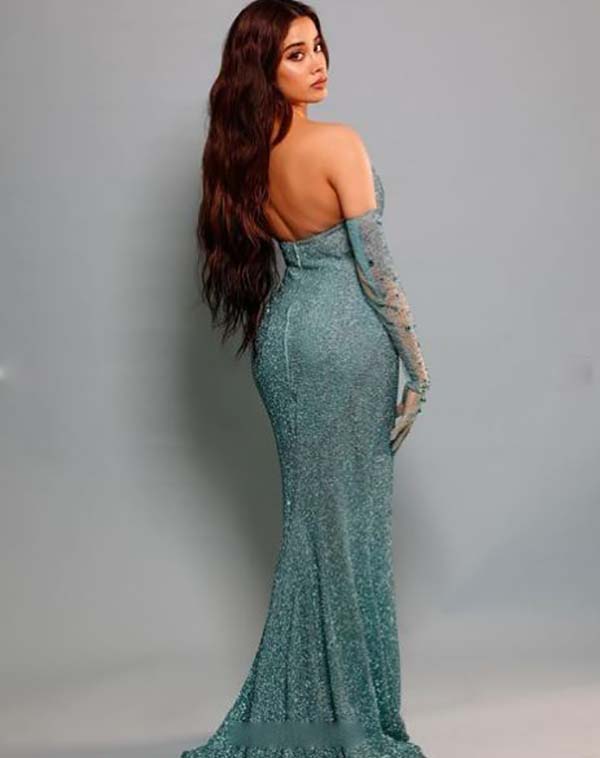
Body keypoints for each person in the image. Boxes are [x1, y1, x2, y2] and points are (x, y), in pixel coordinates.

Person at [182, 2, 431, 757]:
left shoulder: (240, 157)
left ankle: (301, 716)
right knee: (349, 533)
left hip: (283, 342)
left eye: (318, 46)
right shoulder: (337, 142)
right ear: (264, 68)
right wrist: (418, 367)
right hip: (346, 340)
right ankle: (350, 720)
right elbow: (375, 270)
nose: (317, 63)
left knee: (314, 531)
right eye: (296, 54)